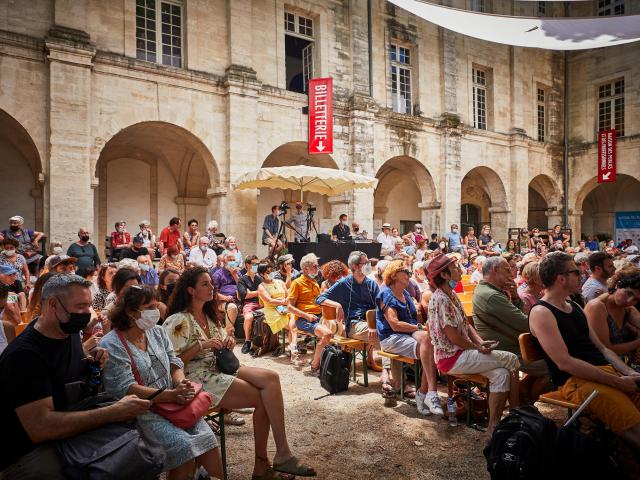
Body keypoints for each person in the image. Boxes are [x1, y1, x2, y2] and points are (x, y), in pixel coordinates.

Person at [163, 267, 316, 478]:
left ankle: (280, 454)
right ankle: (269, 462)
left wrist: (228, 342)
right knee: (263, 398)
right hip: (196, 377)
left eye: (211, 283)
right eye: (205, 284)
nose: (211, 287)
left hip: (219, 368)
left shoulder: (208, 315)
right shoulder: (179, 320)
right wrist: (201, 346)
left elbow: (218, 348)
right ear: (190, 290)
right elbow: (172, 363)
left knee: (271, 378)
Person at [0, 274, 151, 478]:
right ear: (53, 305)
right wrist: (114, 412)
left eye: (89, 305)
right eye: (80, 306)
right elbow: (41, 427)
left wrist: (90, 360)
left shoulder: (66, 332)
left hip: (71, 435)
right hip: (30, 454)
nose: (87, 313)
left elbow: (64, 373)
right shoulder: (25, 355)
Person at [100, 284, 222, 480]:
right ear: (131, 312)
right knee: (184, 447)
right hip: (139, 413)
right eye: (149, 307)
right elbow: (125, 388)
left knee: (208, 440)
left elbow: (174, 362)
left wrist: (181, 384)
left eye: (156, 305)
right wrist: (171, 395)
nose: (155, 312)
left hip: (172, 405)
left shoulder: (156, 332)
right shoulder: (112, 343)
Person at [529, 252, 640, 453]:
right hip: (575, 381)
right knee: (635, 426)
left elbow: (603, 349)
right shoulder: (541, 312)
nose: (582, 274)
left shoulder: (575, 307)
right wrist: (617, 381)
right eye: (576, 271)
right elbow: (565, 363)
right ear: (561, 278)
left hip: (602, 375)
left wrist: (628, 373)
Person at [426, 254, 519, 436]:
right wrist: (477, 347)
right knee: (512, 359)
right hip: (452, 357)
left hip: (460, 353)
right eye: (454, 268)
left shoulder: (450, 294)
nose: (459, 269)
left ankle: (493, 428)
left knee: (501, 374)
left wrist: (480, 342)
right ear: (444, 275)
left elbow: (466, 325)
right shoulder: (441, 299)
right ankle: (518, 415)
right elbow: (453, 337)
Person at [473, 256, 550, 402]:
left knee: (554, 362)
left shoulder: (491, 291)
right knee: (556, 367)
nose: (512, 274)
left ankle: (523, 394)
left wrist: (515, 297)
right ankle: (526, 404)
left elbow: (521, 318)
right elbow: (523, 323)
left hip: (515, 346)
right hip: (508, 350)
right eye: (507, 270)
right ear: (495, 270)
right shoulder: (491, 295)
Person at [376, 260, 444, 416]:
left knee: (431, 342)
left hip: (407, 333)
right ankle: (427, 393)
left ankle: (425, 393)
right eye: (405, 271)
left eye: (409, 272)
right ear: (394, 274)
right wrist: (419, 327)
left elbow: (413, 318)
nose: (409, 274)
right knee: (429, 347)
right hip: (390, 337)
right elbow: (394, 324)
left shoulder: (405, 293)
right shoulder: (385, 293)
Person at [316, 251, 384, 375]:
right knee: (386, 336)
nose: (369, 265)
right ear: (355, 266)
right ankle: (392, 375)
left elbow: (380, 305)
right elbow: (319, 299)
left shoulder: (371, 284)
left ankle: (392, 372)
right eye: (366, 262)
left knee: (390, 333)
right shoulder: (343, 284)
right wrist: (337, 305)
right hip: (354, 326)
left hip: (372, 323)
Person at [585, 266, 640, 359]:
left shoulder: (627, 308)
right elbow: (606, 349)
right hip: (605, 365)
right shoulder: (597, 306)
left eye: (636, 299)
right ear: (618, 285)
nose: (629, 300)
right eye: (629, 293)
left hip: (625, 361)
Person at [288, 253, 329, 376]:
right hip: (304, 319)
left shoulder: (315, 283)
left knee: (340, 332)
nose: (318, 268)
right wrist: (307, 316)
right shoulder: (297, 283)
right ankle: (315, 366)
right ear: (306, 268)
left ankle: (330, 363)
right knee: (327, 334)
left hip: (318, 317)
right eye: (315, 266)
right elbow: (290, 307)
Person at [237, 255, 263, 354]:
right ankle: (247, 341)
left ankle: (268, 342)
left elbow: (267, 291)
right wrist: (259, 291)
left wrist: (252, 293)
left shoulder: (259, 278)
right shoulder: (242, 279)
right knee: (248, 318)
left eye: (257, 264)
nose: (256, 266)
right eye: (254, 264)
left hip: (261, 303)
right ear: (247, 265)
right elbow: (244, 295)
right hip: (249, 304)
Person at [211, 251, 240, 336]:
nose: (232, 262)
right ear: (224, 262)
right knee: (232, 307)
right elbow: (213, 293)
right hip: (222, 301)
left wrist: (234, 275)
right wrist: (225, 298)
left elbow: (242, 288)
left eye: (233, 260)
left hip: (238, 300)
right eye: (230, 260)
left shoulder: (237, 272)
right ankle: (229, 334)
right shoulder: (218, 274)